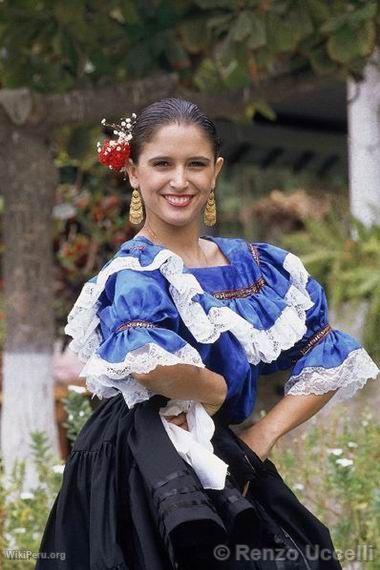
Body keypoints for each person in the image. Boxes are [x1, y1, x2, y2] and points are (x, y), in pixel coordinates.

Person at [37, 98, 379, 569]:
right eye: (162, 164)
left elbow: (328, 353)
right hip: (138, 464)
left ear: (215, 171)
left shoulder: (258, 268)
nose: (180, 180)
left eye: (195, 164)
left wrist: (261, 436)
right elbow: (152, 367)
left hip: (221, 449)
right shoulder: (134, 272)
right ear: (134, 172)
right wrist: (214, 387)